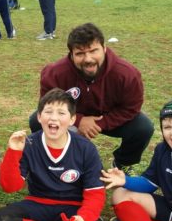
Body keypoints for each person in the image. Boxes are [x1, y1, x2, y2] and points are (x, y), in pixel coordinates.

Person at [0, 89, 106, 221]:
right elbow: (10, 187)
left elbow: (95, 193)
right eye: (48, 112)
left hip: (72, 207)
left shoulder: (86, 149)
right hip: (38, 203)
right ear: (39, 117)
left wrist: (84, 219)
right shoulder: (30, 144)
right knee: (2, 219)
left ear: (72, 120)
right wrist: (13, 152)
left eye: (61, 113)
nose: (54, 118)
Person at [29, 23, 154, 172]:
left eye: (94, 51)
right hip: (71, 118)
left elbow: (131, 108)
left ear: (104, 48)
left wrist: (100, 123)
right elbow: (47, 106)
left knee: (143, 127)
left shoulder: (127, 74)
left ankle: (123, 164)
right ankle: (56, 161)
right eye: (80, 53)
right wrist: (80, 120)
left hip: (109, 118)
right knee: (37, 120)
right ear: (71, 54)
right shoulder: (55, 74)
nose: (88, 59)